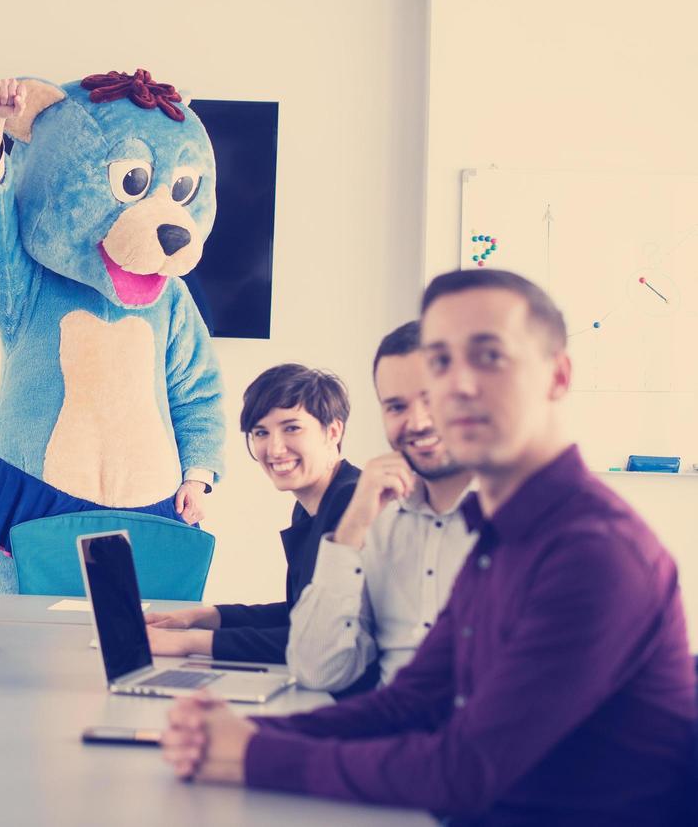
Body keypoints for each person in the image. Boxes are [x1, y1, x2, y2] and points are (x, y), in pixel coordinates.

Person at [161, 269, 696, 824]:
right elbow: (409, 702)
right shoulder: (499, 533)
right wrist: (237, 732)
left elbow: (465, 769)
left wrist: (253, 753)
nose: (454, 387)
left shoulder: (594, 552)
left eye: (489, 356)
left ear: (558, 376)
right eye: (439, 363)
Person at [144, 365, 369, 680]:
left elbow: (320, 641)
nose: (274, 449)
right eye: (261, 432)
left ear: (333, 431)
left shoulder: (355, 504)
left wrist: (188, 642)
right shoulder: (312, 504)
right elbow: (301, 614)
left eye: (291, 428)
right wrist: (200, 616)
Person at [286, 321, 477, 691]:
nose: (417, 422)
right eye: (396, 406)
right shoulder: (377, 517)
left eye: (433, 399)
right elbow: (317, 670)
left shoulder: (527, 515)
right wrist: (352, 528)